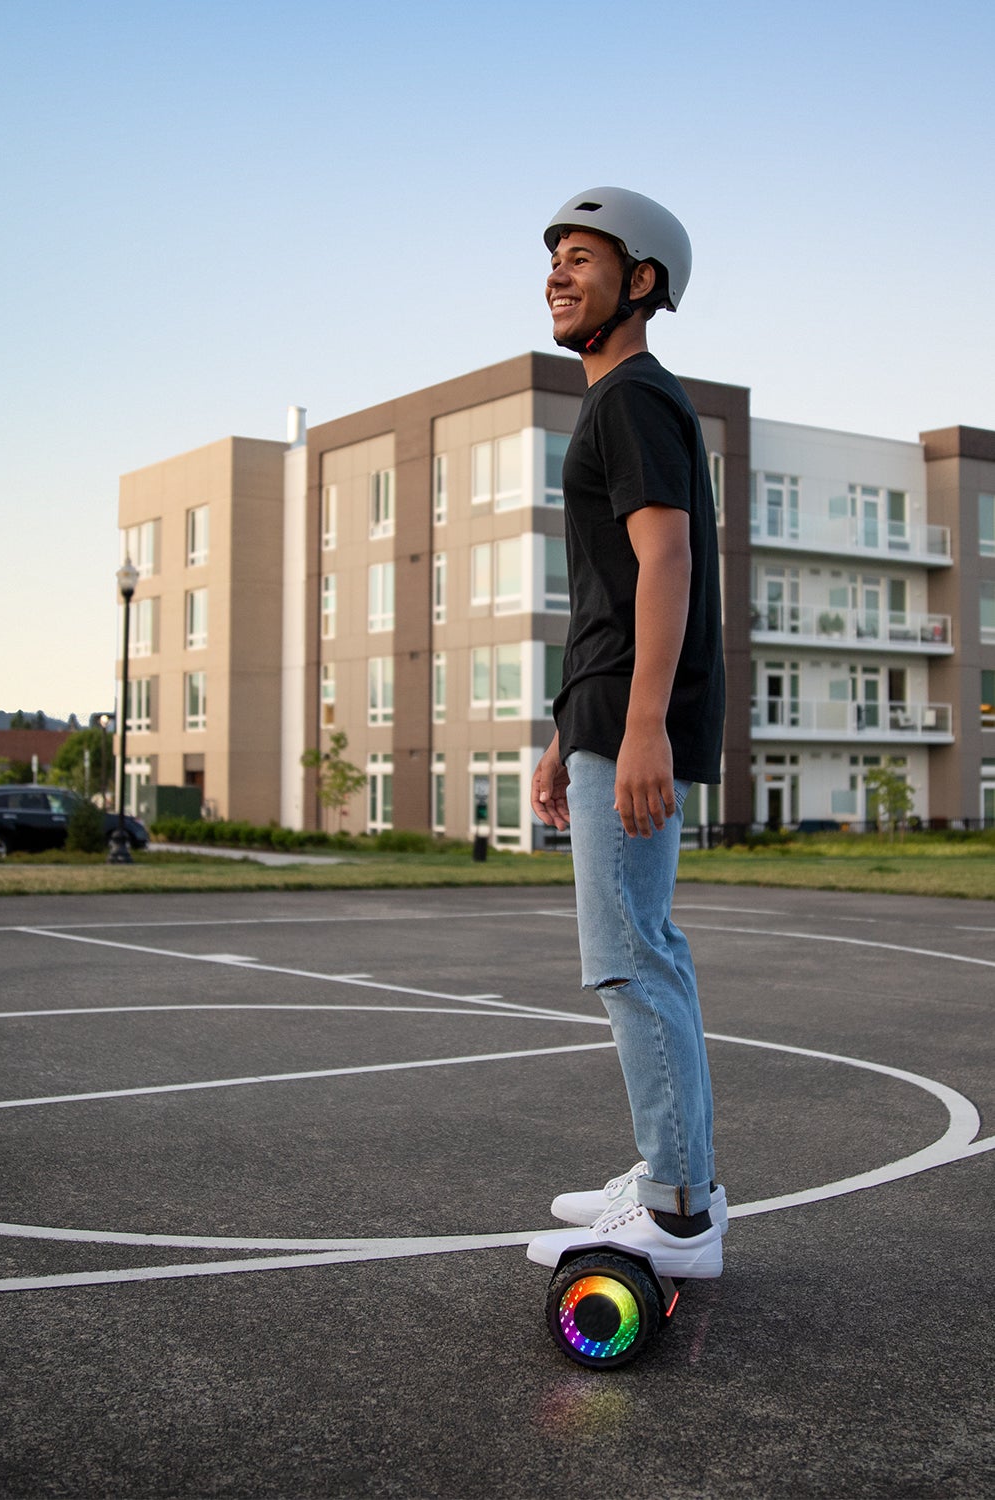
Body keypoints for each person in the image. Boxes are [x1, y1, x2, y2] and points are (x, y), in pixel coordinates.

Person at [525, 188, 727, 1280]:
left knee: (630, 961)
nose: (559, 272)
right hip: (606, 712)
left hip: (633, 717)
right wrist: (575, 733)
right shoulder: (617, 403)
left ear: (641, 282)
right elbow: (608, 595)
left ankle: (678, 1211)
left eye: (584, 257)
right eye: (554, 257)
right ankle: (675, 1174)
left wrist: (641, 724)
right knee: (651, 952)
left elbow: (667, 563)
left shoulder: (633, 399)